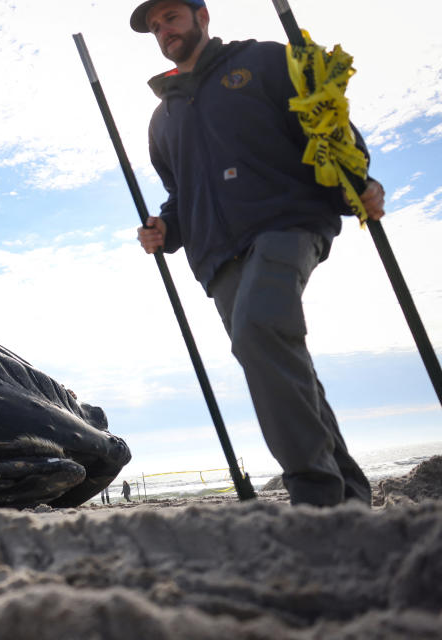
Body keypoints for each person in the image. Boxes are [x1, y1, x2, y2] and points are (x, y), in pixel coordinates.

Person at [131, 0, 383, 507]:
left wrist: (357, 183)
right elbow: (180, 196)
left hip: (287, 222)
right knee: (282, 361)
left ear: (203, 16)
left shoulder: (265, 61)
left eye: (172, 17)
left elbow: (326, 122)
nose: (164, 31)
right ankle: (350, 494)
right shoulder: (161, 119)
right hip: (217, 257)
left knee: (258, 331)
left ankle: (316, 502)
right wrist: (165, 229)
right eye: (156, 26)